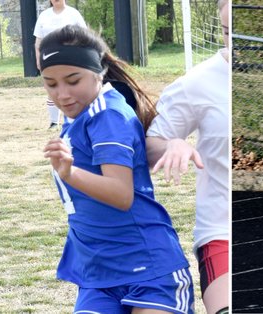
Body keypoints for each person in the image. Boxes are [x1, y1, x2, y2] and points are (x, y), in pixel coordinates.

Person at [40, 24, 194, 313]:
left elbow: (121, 194)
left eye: (73, 80)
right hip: (99, 275)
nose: (62, 94)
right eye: (51, 83)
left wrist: (70, 173)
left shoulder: (107, 114)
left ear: (98, 71)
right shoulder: (83, 112)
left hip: (149, 269)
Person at [146, 1, 229, 313]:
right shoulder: (198, 82)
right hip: (222, 231)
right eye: (225, 32)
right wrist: (172, 145)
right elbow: (151, 144)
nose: (233, 42)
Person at [34, 0, 86, 129]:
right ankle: (53, 122)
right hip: (49, 59)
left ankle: (73, 120)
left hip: (70, 58)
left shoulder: (74, 14)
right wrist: (38, 59)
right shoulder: (44, 15)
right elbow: (38, 42)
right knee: (53, 90)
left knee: (71, 89)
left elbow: (84, 36)